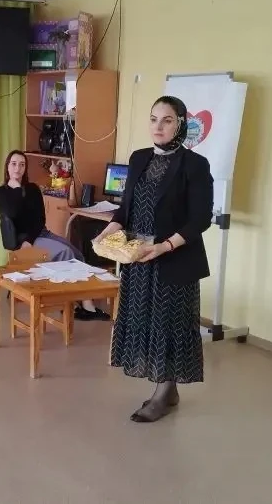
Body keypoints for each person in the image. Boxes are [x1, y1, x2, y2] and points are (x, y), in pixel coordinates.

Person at [96, 95, 214, 423]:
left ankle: (163, 393)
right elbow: (126, 208)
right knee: (146, 321)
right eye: (153, 119)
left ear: (181, 124)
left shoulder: (195, 165)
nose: (158, 127)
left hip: (173, 259)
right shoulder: (139, 158)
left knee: (169, 325)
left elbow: (200, 219)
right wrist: (110, 230)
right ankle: (168, 389)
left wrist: (164, 247)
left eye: (167, 120)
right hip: (139, 257)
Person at [0, 150, 110, 321]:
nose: (18, 168)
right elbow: (12, 213)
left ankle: (83, 303)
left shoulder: (33, 189)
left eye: (22, 165)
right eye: (14, 164)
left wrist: (30, 239)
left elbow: (39, 219)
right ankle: (72, 305)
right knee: (66, 253)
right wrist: (16, 190)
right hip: (20, 240)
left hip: (38, 234)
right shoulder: (0, 192)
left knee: (77, 254)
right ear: (7, 167)